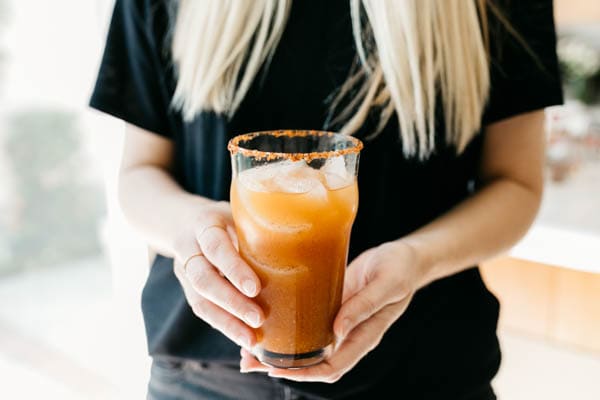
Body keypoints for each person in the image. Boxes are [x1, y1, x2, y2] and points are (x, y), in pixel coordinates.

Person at [89, 0, 563, 398]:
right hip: (204, 377)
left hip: (426, 367)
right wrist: (192, 226)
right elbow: (139, 173)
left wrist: (418, 259)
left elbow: (515, 184)